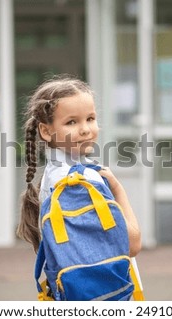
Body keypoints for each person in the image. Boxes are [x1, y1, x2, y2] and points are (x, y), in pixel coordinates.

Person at [17, 75, 142, 258]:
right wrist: (117, 188)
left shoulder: (54, 174)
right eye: (71, 122)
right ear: (45, 131)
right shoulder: (78, 181)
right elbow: (131, 244)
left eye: (90, 118)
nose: (85, 129)